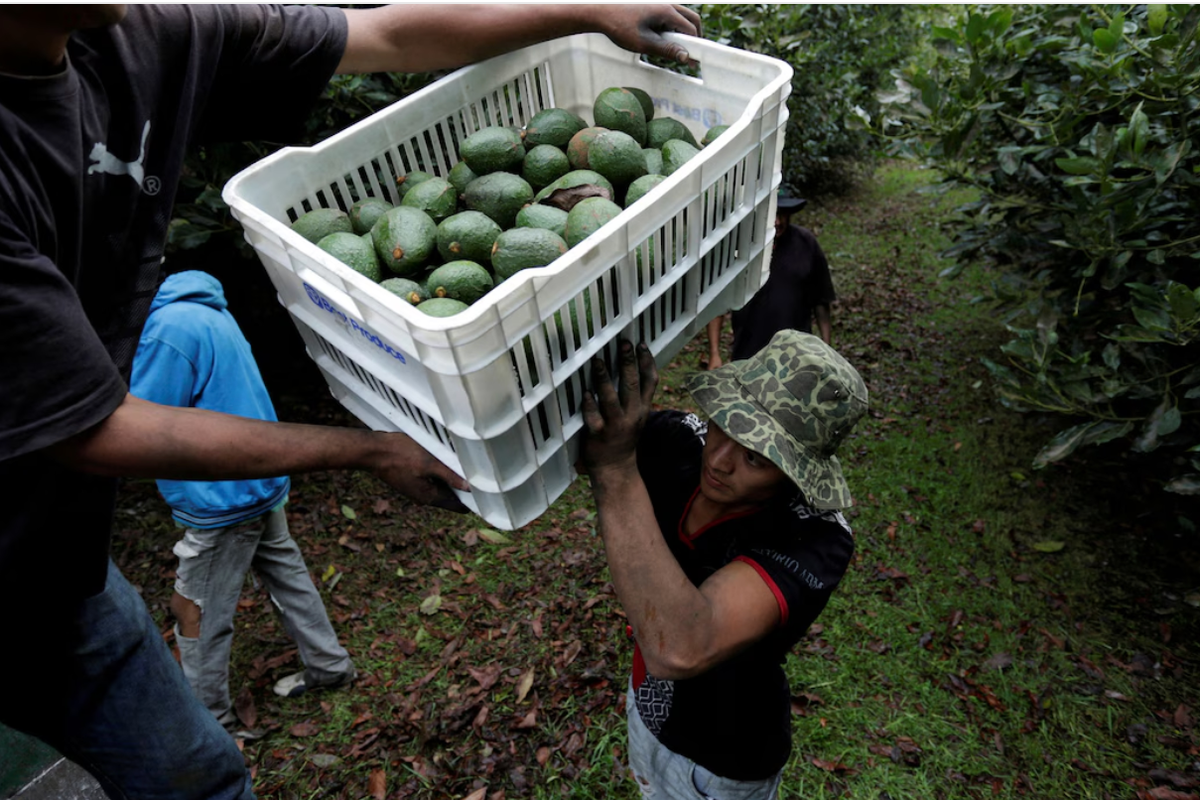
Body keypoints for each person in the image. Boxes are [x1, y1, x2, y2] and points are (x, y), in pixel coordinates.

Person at [0, 5, 702, 799]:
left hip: (60, 569)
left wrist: (583, 9)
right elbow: (94, 428)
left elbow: (385, 36)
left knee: (198, 777)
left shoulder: (144, 34)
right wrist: (368, 448)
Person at [580, 330, 867, 798]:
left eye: (756, 457)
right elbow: (573, 443)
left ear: (796, 470)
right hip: (650, 707)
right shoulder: (680, 441)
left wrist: (614, 470)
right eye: (725, 425)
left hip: (722, 755)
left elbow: (679, 646)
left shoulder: (815, 538)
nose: (719, 460)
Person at [130, 269, 357, 741]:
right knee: (286, 575)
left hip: (224, 498)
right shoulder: (203, 307)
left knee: (195, 609)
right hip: (258, 480)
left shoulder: (166, 331)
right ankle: (330, 665)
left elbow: (144, 427)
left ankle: (212, 726)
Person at [705, 190, 835, 370]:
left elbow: (821, 301)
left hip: (798, 359)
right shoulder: (739, 249)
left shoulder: (806, 244)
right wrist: (714, 354)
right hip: (749, 357)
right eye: (771, 214)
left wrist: (827, 351)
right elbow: (716, 306)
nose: (778, 222)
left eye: (782, 214)